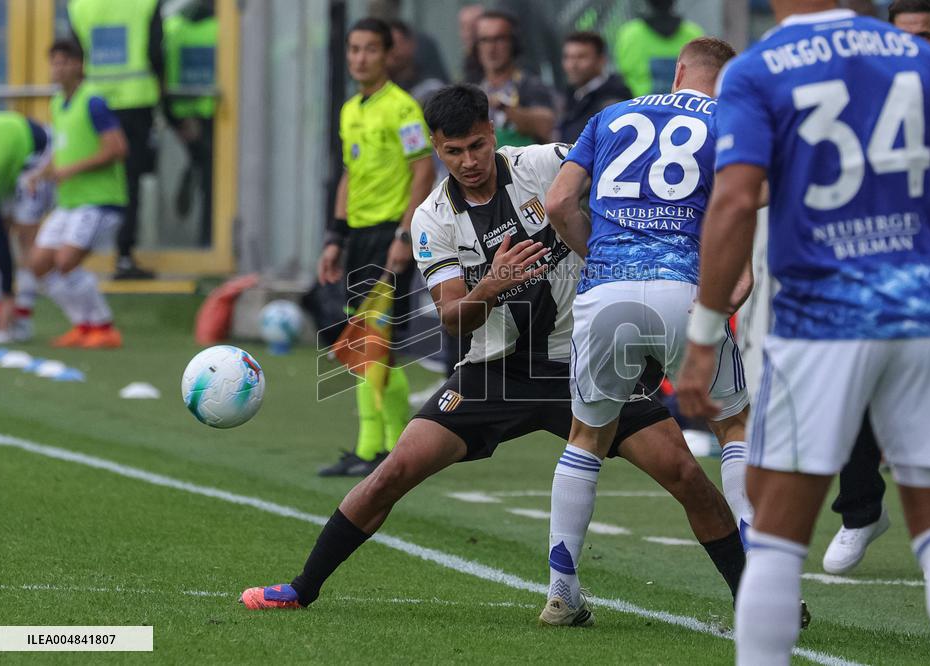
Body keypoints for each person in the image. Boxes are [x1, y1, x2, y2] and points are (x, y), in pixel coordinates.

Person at [239, 84, 747, 620]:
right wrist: (491, 286)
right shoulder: (432, 219)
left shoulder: (548, 164)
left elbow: (634, 190)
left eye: (477, 146)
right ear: (436, 148)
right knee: (393, 472)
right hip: (494, 370)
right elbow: (454, 316)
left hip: (585, 360)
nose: (468, 162)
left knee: (686, 476)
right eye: (453, 152)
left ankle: (750, 596)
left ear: (491, 133)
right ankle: (302, 587)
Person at [676, 2, 930, 664]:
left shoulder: (758, 67)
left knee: (779, 539)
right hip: (920, 311)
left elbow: (735, 202)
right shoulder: (917, 58)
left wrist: (704, 334)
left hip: (821, 319)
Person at [544, 36, 762, 624]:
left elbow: (559, 202)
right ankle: (763, 584)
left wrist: (601, 260)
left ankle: (561, 591)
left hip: (606, 292)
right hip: (684, 291)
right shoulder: (734, 123)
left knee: (585, 437)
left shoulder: (611, 114)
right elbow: (748, 218)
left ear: (680, 71)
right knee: (733, 424)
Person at [821, 0, 930, 577]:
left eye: (924, 36)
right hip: (868, 272)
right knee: (849, 395)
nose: (914, 47)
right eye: (903, 38)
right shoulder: (861, 104)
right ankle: (861, 511)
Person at [316, 18, 436, 477]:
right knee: (369, 345)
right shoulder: (351, 110)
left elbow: (423, 172)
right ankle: (388, 447)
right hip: (359, 236)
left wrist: (405, 234)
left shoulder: (403, 109)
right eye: (354, 49)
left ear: (387, 55)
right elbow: (350, 174)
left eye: (369, 49)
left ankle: (375, 449)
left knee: (369, 342)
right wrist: (334, 235)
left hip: (390, 233)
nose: (359, 58)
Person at [28, 39, 129, 349]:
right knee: (38, 264)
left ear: (79, 65)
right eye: (53, 61)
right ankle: (83, 326)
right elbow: (63, 149)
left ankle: (104, 327)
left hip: (99, 200)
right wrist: (41, 172)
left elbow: (117, 148)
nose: (57, 68)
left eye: (64, 61)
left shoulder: (93, 102)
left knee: (66, 261)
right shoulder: (58, 103)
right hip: (70, 200)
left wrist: (69, 171)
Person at [68, 0, 162, 280]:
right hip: (135, 102)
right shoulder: (144, 4)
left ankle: (75, 253)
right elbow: (156, 53)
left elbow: (76, 56)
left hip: (94, 102)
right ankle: (123, 256)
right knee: (130, 181)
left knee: (92, 177)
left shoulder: (80, 6)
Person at [0, 112, 50, 343]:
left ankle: (20, 317)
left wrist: (9, 294)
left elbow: (2, 242)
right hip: (2, 165)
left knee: (26, 240)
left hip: (32, 150)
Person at [163, 0, 217, 246]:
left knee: (209, 177)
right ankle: (207, 240)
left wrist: (174, 119)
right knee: (210, 179)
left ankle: (208, 239)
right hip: (209, 115)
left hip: (192, 116)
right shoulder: (222, 26)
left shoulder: (172, 26)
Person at [475, 10, 557, 147]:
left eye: (499, 39)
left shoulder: (530, 86)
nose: (491, 48)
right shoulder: (474, 90)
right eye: (485, 40)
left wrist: (505, 108)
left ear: (513, 43)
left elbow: (546, 125)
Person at [613, 0, 704, 98]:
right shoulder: (694, 33)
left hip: (640, 108)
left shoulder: (630, 34)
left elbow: (623, 75)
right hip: (686, 107)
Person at [556, 32, 631, 145]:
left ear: (601, 60)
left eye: (581, 57)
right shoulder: (572, 93)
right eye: (568, 57)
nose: (572, 65)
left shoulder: (614, 98)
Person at [458, 4, 484, 84]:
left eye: (472, 27)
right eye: (463, 27)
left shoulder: (487, 61)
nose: (467, 34)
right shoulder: (468, 57)